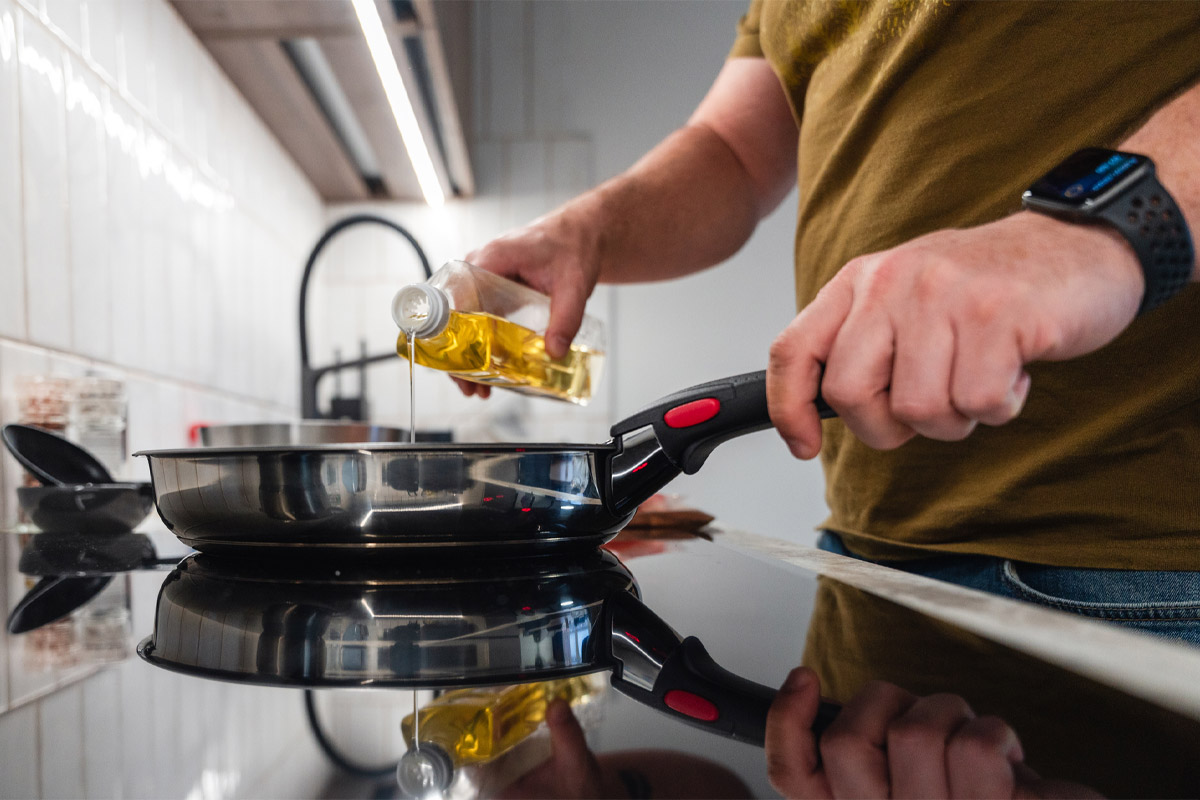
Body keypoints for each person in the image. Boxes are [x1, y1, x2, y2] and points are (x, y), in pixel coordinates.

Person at [461, 1, 1200, 795]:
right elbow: (735, 152)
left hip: (1146, 578)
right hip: (872, 561)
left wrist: (1092, 230)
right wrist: (590, 229)